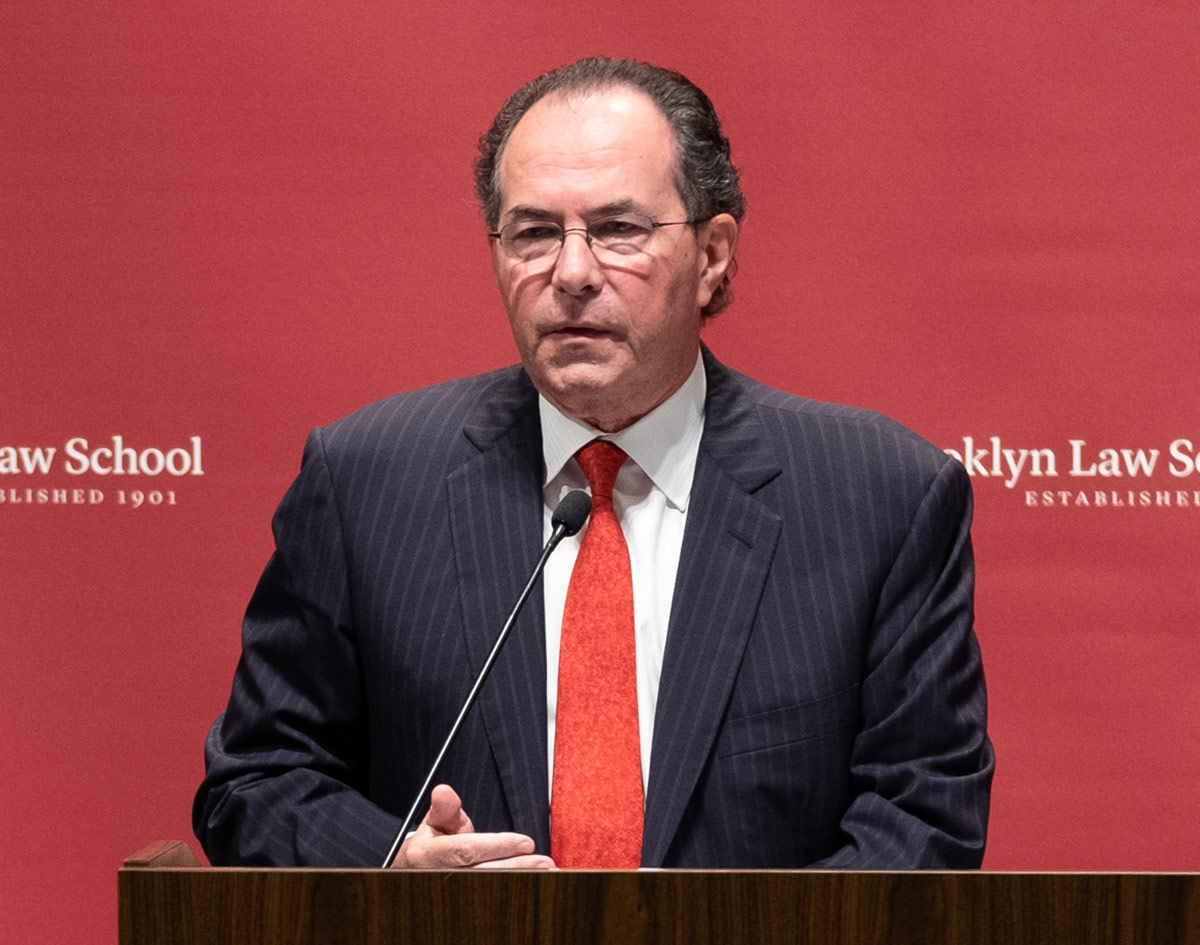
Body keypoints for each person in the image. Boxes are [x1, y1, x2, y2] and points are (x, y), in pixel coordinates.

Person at [194, 56, 993, 870]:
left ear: (713, 254)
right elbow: (255, 782)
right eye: (535, 233)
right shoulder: (366, 481)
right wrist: (393, 865)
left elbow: (923, 819)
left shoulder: (881, 497)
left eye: (619, 230)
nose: (571, 274)